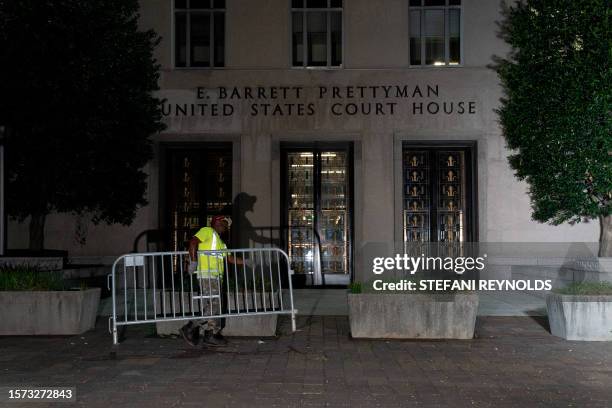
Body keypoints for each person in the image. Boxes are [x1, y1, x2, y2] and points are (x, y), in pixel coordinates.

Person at [179, 215, 244, 347]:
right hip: (207, 275)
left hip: (215, 277)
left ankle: (211, 334)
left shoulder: (221, 243)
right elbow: (193, 242)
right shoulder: (207, 231)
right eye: (224, 223)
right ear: (216, 222)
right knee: (213, 306)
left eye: (227, 225)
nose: (225, 227)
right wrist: (193, 262)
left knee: (216, 306)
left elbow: (230, 259)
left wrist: (246, 262)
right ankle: (191, 328)